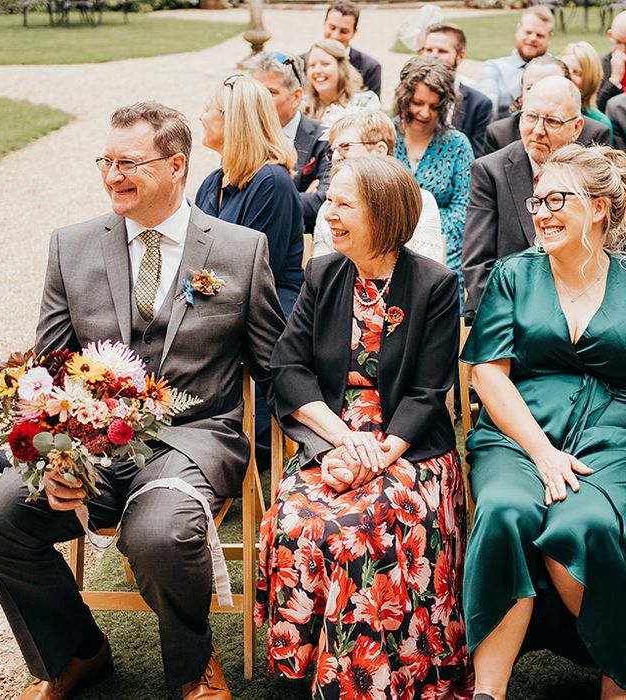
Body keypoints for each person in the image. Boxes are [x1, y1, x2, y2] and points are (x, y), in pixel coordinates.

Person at [0, 102, 286, 700]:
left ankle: (193, 669)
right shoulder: (71, 246)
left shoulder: (241, 250)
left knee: (157, 533)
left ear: (177, 165)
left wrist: (320, 448)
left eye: (128, 163)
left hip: (194, 440)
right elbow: (50, 368)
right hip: (91, 447)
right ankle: (78, 652)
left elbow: (277, 367)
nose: (111, 175)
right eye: (105, 161)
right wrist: (51, 457)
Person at [256, 155, 470, 699]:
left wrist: (379, 453)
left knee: (363, 529)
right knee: (293, 521)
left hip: (409, 444)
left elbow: (428, 391)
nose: (329, 213)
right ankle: (297, 671)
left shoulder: (435, 285)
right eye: (330, 200)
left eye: (345, 204)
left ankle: (368, 680)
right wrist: (341, 439)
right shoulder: (323, 273)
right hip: (331, 433)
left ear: (384, 214)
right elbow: (289, 367)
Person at [461, 143, 626, 698]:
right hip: (517, 433)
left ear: (599, 208)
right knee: (507, 510)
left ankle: (619, 678)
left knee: (586, 527)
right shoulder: (514, 274)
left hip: (612, 440)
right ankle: (489, 691)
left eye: (559, 199)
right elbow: (487, 374)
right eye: (538, 201)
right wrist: (542, 452)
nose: (543, 212)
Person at [462, 76, 585, 324]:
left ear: (577, 128)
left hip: (581, 313)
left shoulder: (589, 176)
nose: (538, 130)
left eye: (552, 121)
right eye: (530, 117)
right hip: (510, 318)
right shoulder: (490, 171)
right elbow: (478, 266)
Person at [195, 74, 304, 316]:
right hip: (218, 307)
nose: (200, 117)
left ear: (231, 119)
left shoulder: (272, 183)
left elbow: (257, 273)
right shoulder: (213, 182)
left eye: (206, 109)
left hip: (265, 315)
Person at [312, 109, 444, 263]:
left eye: (345, 147)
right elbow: (322, 274)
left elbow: (426, 270)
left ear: (379, 150)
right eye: (332, 151)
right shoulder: (328, 209)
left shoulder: (419, 201)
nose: (335, 158)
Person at [392, 55, 473, 304]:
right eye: (417, 103)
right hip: (387, 243)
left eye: (434, 106)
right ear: (404, 98)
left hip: (443, 249)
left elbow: (464, 207)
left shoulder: (457, 144)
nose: (425, 112)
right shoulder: (386, 134)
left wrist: (424, 237)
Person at [250, 51, 331, 234]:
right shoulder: (244, 137)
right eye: (256, 93)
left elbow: (326, 202)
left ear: (296, 97)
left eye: (270, 92)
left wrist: (254, 198)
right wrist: (299, 198)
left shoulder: (323, 137)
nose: (259, 101)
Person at [482, 55, 611, 157]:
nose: (540, 93)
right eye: (530, 87)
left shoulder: (593, 133)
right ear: (521, 92)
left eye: (551, 85)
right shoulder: (499, 134)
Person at [420, 22, 493, 158]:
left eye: (442, 51)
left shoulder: (478, 104)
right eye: (428, 50)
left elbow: (478, 160)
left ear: (460, 57)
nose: (433, 56)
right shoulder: (408, 96)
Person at [476, 6, 554, 120]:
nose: (532, 38)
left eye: (540, 35)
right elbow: (486, 108)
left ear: (550, 37)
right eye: (528, 32)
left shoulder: (560, 69)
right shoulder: (493, 68)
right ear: (518, 29)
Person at [320, 0, 381, 95]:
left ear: (354, 32)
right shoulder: (302, 62)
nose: (335, 36)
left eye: (344, 31)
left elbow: (374, 107)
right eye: (332, 28)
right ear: (324, 24)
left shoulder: (370, 67)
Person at [302, 39, 365, 121]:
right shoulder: (300, 109)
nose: (317, 70)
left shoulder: (363, 104)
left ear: (341, 68)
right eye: (312, 65)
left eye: (325, 64)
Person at [561, 41, 614, 139]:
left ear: (590, 80)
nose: (568, 77)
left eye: (577, 73)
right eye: (565, 70)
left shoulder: (600, 124)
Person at [596, 10, 626, 113]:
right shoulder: (600, 67)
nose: (623, 50)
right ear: (610, 35)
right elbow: (595, 110)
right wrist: (614, 80)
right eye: (618, 42)